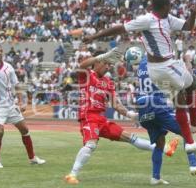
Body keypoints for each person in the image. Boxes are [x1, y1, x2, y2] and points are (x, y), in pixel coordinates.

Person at [83, 0, 196, 154]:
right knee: (191, 85)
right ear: (164, 7)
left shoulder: (168, 18)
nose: (171, 8)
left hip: (158, 70)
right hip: (166, 66)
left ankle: (190, 142)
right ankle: (194, 124)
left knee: (180, 99)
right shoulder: (147, 20)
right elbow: (119, 28)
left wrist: (193, 14)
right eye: (169, 5)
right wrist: (94, 36)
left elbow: (188, 26)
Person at [64, 48, 179, 185]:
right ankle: (72, 174)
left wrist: (131, 115)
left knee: (129, 137)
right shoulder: (87, 75)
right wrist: (101, 56)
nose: (108, 67)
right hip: (88, 117)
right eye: (106, 63)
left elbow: (116, 104)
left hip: (101, 119)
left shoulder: (108, 82)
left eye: (110, 65)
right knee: (91, 145)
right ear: (98, 63)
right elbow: (81, 66)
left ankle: (165, 149)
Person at [136, 55, 196, 185]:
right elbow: (187, 75)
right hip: (156, 103)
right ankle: (194, 165)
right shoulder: (160, 62)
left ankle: (155, 177)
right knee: (186, 130)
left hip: (141, 106)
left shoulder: (141, 66)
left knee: (159, 143)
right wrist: (187, 60)